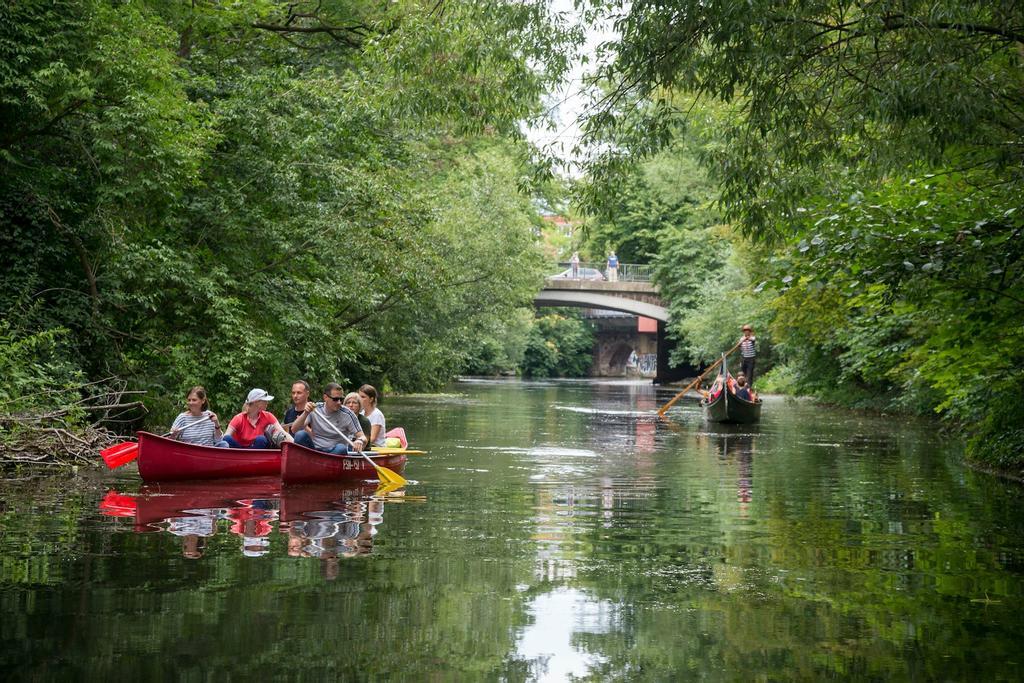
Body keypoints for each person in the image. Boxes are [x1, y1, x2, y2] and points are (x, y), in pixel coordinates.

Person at [290, 382, 367, 454]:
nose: (339, 402)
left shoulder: (348, 414)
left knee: (341, 448)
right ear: (325, 397)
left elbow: (363, 437)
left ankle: (323, 462)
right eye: (335, 399)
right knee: (300, 435)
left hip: (334, 452)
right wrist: (305, 413)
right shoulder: (315, 409)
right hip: (315, 450)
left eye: (341, 399)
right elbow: (294, 429)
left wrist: (360, 441)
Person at [223, 388, 293, 448]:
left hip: (257, 450)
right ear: (256, 402)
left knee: (261, 439)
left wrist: (295, 444)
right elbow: (226, 436)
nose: (267, 403)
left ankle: (253, 458)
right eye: (265, 400)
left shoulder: (268, 416)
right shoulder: (239, 418)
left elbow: (283, 432)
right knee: (226, 438)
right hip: (239, 451)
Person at [358, 384, 387, 448]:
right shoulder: (361, 413)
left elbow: (372, 439)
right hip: (364, 444)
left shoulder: (377, 415)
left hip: (376, 447)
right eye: (359, 396)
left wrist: (357, 443)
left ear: (371, 399)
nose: (359, 399)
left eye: (363, 397)